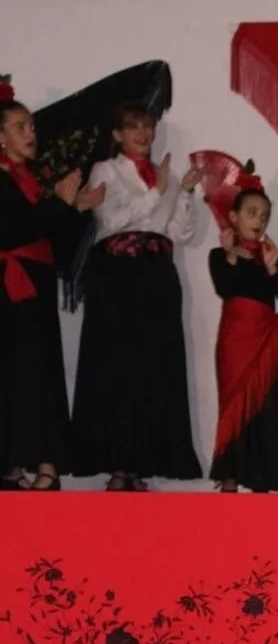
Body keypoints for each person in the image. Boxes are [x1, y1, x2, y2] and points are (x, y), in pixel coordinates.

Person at [70, 101, 203, 491]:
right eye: (133, 127)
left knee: (153, 370)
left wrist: (185, 192)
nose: (143, 134)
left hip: (158, 278)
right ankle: (117, 466)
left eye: (147, 126)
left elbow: (179, 233)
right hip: (116, 278)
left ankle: (143, 465)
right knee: (116, 368)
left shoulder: (165, 174)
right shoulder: (105, 170)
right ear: (117, 135)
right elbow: (110, 220)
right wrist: (157, 190)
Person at [0, 90, 103, 491]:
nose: (31, 133)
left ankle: (46, 465)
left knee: (40, 370)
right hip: (11, 285)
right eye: (20, 127)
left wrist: (75, 207)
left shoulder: (30, 178)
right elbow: (15, 229)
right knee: (17, 373)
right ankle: (14, 465)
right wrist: (63, 204)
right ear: (1, 137)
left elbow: (48, 231)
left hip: (34, 283)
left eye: (32, 126)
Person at [208, 186, 278, 493]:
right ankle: (229, 478)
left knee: (266, 406)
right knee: (233, 405)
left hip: (266, 340)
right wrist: (229, 256)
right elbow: (225, 288)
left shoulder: (270, 254)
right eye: (252, 213)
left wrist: (274, 269)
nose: (259, 221)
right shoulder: (219, 255)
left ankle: (262, 479)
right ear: (234, 217)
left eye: (264, 216)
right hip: (235, 340)